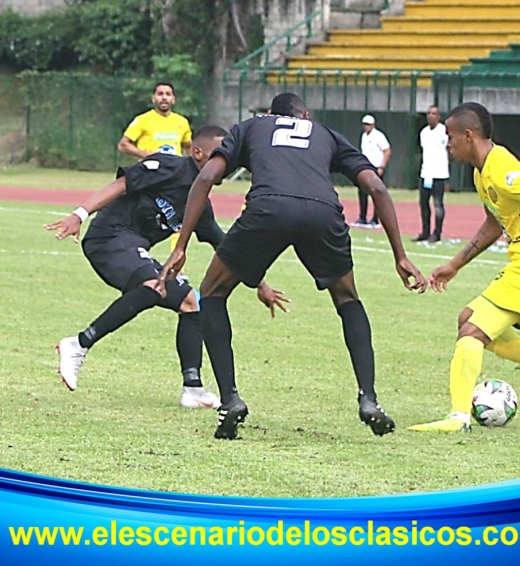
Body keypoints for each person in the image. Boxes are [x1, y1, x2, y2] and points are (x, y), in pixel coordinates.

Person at [157, 93, 427, 440]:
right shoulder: (324, 132)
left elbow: (207, 176)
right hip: (323, 211)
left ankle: (230, 400)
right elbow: (374, 184)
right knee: (347, 299)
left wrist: (181, 246)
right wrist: (400, 255)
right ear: (305, 115)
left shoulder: (252, 127)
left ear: (270, 114)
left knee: (212, 292)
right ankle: (369, 399)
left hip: (268, 209)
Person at [45, 126, 287, 409]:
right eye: (220, 154)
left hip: (132, 247)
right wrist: (79, 214)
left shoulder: (200, 205)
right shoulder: (169, 166)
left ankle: (193, 388)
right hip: (108, 238)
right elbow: (122, 184)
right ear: (197, 153)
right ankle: (78, 344)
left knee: (192, 302)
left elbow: (224, 246)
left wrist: (261, 284)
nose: (227, 162)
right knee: (153, 286)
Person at [408, 102, 520, 434]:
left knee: (472, 331)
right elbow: (494, 223)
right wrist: (455, 264)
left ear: (468, 135)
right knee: (466, 320)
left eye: (450, 137)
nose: (448, 144)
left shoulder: (504, 171)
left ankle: (459, 417)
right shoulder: (481, 172)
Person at [118, 82, 194, 264]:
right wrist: (145, 154)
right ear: (153, 98)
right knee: (143, 214)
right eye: (160, 94)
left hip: (174, 177)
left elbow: (189, 145)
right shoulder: (143, 120)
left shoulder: (181, 122)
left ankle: (177, 264)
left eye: (168, 94)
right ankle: (133, 251)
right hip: (149, 177)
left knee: (179, 217)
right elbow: (123, 145)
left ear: (173, 98)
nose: (164, 97)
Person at [413, 105, 450, 243]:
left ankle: (437, 233)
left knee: (438, 204)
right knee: (423, 203)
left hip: (439, 173)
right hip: (426, 173)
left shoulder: (443, 131)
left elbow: (450, 149)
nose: (431, 116)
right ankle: (425, 231)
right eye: (429, 113)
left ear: (438, 116)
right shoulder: (424, 132)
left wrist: (446, 164)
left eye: (434, 113)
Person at [353, 114, 391, 227]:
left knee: (376, 193)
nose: (366, 127)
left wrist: (382, 166)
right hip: (365, 166)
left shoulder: (379, 136)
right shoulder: (364, 136)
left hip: (376, 167)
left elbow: (387, 150)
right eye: (365, 124)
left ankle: (375, 219)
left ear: (373, 125)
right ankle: (362, 217)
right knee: (362, 193)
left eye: (368, 124)